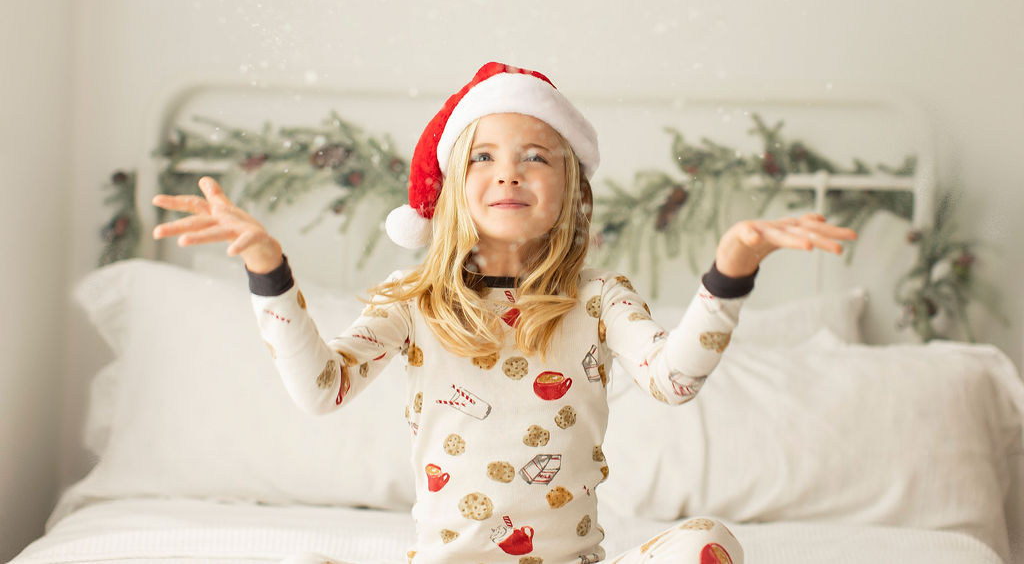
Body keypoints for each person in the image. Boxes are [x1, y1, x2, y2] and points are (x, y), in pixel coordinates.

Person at [152, 62, 857, 564]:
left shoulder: (601, 298)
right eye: (482, 155)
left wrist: (731, 268)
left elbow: (673, 379)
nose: (508, 171)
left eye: (535, 157)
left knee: (709, 542)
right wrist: (268, 270)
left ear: (570, 187)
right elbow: (319, 388)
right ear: (454, 186)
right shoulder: (414, 298)